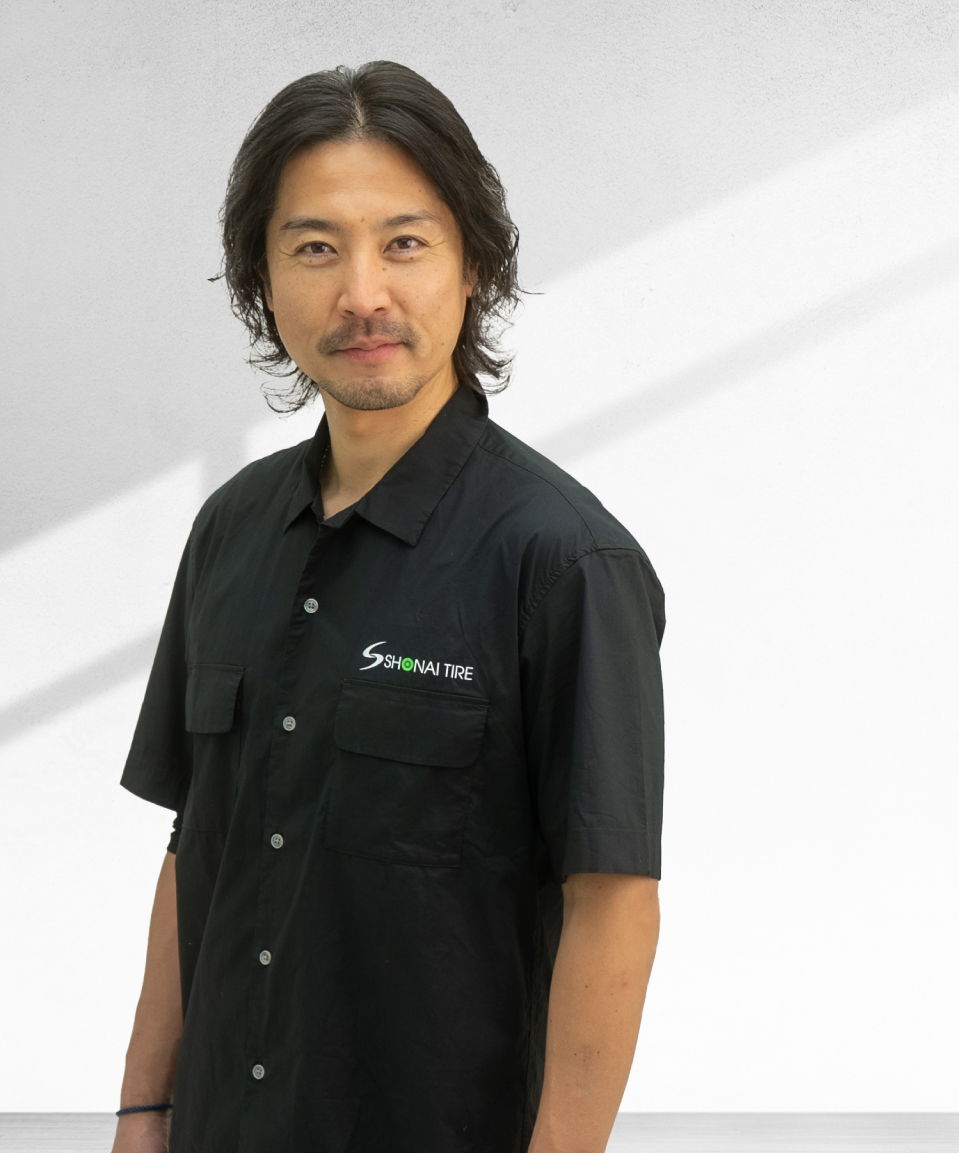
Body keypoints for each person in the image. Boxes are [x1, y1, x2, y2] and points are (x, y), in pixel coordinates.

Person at [110, 61, 665, 1153]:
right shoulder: (230, 530)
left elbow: (612, 899)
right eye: (315, 248)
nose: (362, 293)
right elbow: (195, 847)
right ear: (262, 280)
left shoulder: (564, 559)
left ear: (474, 265)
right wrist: (143, 1109)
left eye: (404, 243)